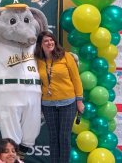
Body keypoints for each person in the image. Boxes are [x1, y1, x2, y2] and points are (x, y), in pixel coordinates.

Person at [34, 31, 84, 163]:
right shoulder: (37, 61)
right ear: (40, 44)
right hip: (48, 104)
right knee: (54, 137)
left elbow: (76, 79)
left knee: (64, 137)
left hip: (68, 103)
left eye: (51, 40)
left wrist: (79, 100)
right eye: (46, 41)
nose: (49, 43)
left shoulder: (66, 56)